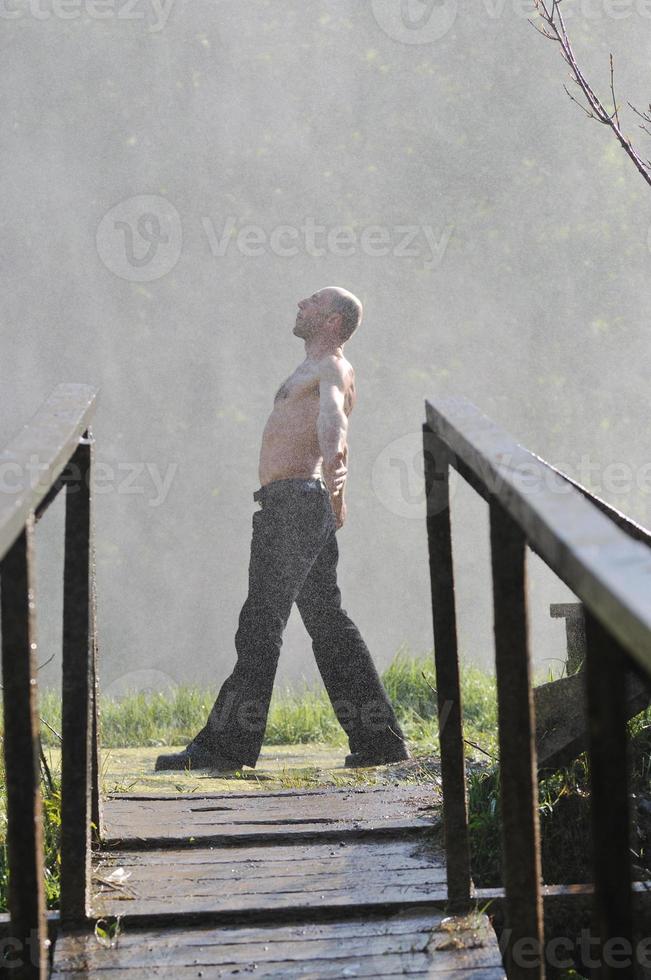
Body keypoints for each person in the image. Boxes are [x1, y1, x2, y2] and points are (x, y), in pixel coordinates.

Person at [155, 286, 411, 772]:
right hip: (295, 504)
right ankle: (379, 741)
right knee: (328, 623)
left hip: (295, 505)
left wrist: (338, 469)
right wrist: (333, 502)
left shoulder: (331, 367)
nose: (299, 304)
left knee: (260, 621)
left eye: (312, 302)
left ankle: (225, 747)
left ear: (333, 321)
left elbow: (333, 418)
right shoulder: (308, 368)